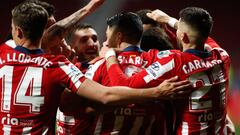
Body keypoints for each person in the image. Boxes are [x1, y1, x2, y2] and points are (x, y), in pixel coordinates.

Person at [0, 2, 192, 134]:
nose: (95, 43)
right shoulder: (60, 66)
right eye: (84, 40)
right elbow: (105, 96)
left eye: (97, 38)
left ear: (17, 31)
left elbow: (73, 106)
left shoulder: (3, 54)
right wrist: (157, 93)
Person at [105, 7, 231, 134]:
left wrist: (110, 55)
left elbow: (122, 86)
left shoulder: (175, 61)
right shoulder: (222, 56)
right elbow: (204, 37)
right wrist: (169, 20)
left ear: (183, 36)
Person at [82, 12, 181, 135]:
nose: (106, 42)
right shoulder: (159, 61)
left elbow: (78, 107)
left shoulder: (99, 65)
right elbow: (193, 47)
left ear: (119, 37)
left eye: (108, 37)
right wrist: (170, 20)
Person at [56, 23, 101, 135]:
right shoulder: (58, 68)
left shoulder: (103, 69)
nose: (92, 44)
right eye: (84, 40)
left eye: (95, 39)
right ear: (71, 46)